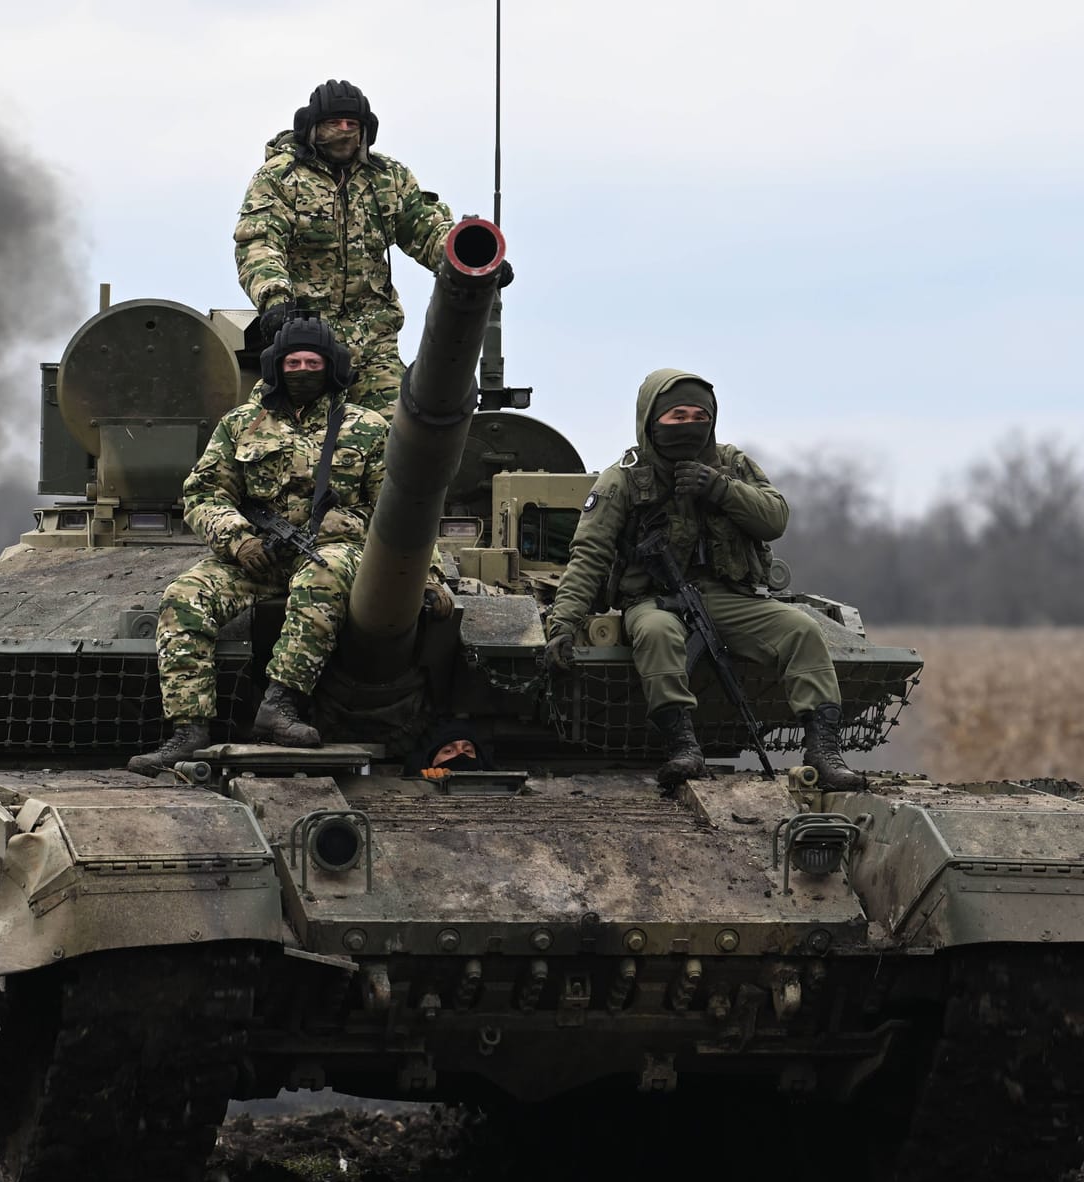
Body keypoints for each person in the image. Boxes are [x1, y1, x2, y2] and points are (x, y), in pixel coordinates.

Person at [542, 369, 864, 791]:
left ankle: (823, 751)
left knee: (801, 630)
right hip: (654, 600)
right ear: (651, 419)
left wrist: (719, 488)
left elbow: (774, 519)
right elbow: (589, 556)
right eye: (677, 416)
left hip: (731, 596)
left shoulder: (732, 465)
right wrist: (563, 623)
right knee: (656, 634)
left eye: (699, 415)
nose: (689, 424)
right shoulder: (622, 479)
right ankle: (683, 747)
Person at [129, 317, 388, 776]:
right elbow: (204, 492)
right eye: (294, 362)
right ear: (276, 366)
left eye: (313, 362)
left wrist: (425, 575)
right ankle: (189, 731)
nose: (303, 369)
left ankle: (279, 706)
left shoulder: (365, 427)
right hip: (256, 554)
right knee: (184, 597)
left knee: (321, 577)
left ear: (332, 367)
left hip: (332, 552)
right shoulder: (241, 424)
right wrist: (236, 538)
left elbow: (399, 510)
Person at [234, 80, 508, 414]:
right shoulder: (281, 177)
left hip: (374, 342)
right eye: (334, 124)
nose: (344, 132)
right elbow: (259, 241)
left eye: (353, 125)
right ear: (312, 127)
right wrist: (275, 299)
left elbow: (425, 229)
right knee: (272, 432)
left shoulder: (387, 179)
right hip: (304, 341)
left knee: (404, 431)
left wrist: (472, 260)